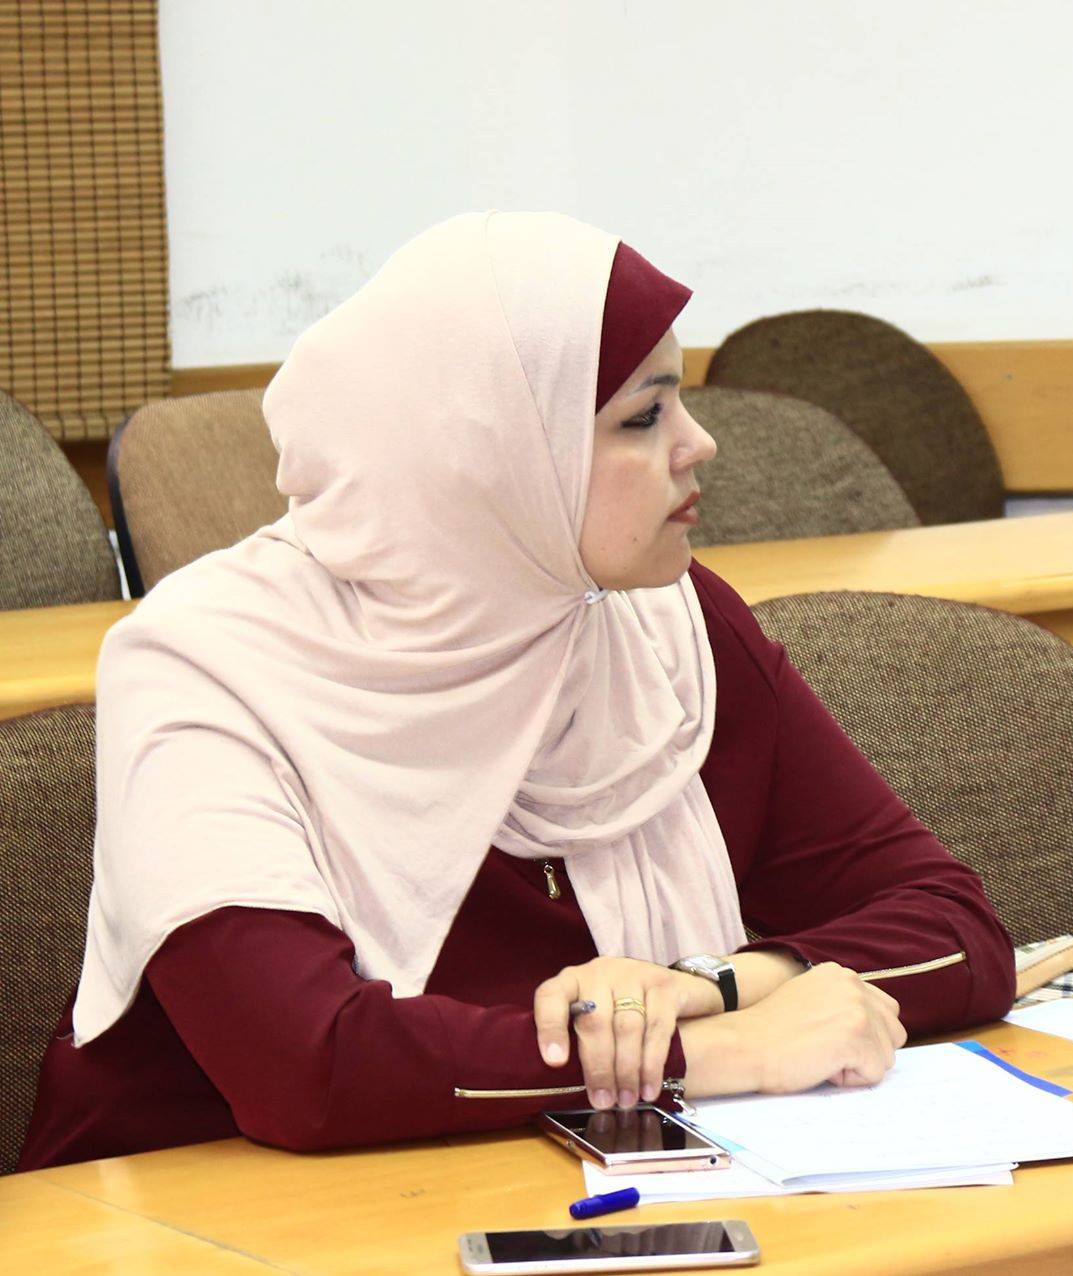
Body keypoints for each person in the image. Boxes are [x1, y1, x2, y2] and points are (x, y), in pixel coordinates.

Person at [18, 213, 1015, 1170]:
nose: (698, 443)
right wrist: (715, 1053)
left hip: (549, 1182)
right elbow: (307, 1067)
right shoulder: (212, 665)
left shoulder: (667, 629)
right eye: (643, 416)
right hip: (199, 1211)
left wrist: (703, 988)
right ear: (492, 455)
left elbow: (956, 931)